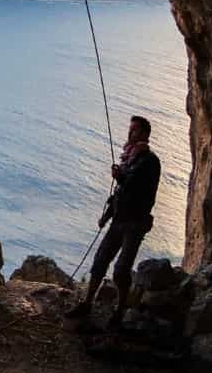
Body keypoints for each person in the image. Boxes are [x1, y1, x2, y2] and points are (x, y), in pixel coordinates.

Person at [65, 116, 162, 327]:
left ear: (145, 134)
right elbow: (119, 192)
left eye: (135, 130)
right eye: (130, 130)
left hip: (135, 224)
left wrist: (120, 176)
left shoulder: (149, 161)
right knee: (100, 260)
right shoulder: (130, 158)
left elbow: (132, 184)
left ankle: (119, 310)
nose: (130, 133)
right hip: (119, 220)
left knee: (121, 268)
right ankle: (88, 302)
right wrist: (107, 215)